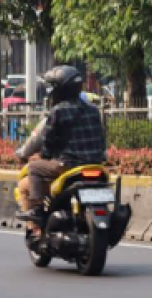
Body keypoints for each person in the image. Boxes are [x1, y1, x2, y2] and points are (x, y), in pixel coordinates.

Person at [15, 65, 107, 221]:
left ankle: (37, 209)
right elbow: (102, 139)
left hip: (68, 165)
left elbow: (48, 143)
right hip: (95, 164)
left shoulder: (58, 111)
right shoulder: (93, 110)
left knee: (33, 168)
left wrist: (43, 156)